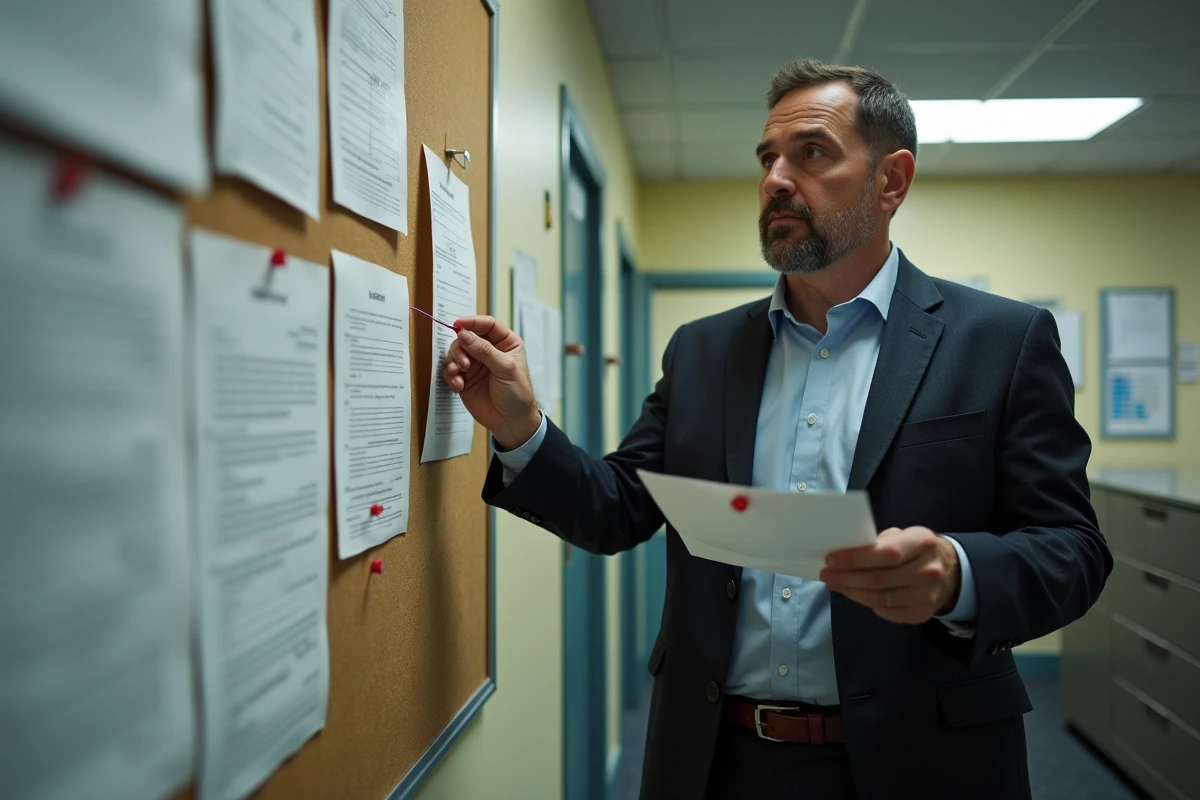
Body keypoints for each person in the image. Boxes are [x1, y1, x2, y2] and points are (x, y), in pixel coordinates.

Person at [441, 58, 1110, 800]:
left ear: (891, 180)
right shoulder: (702, 351)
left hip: (924, 760)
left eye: (811, 153)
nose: (775, 180)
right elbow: (619, 506)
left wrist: (958, 573)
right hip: (717, 760)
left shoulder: (1000, 342)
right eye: (767, 158)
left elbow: (1072, 550)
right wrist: (523, 428)